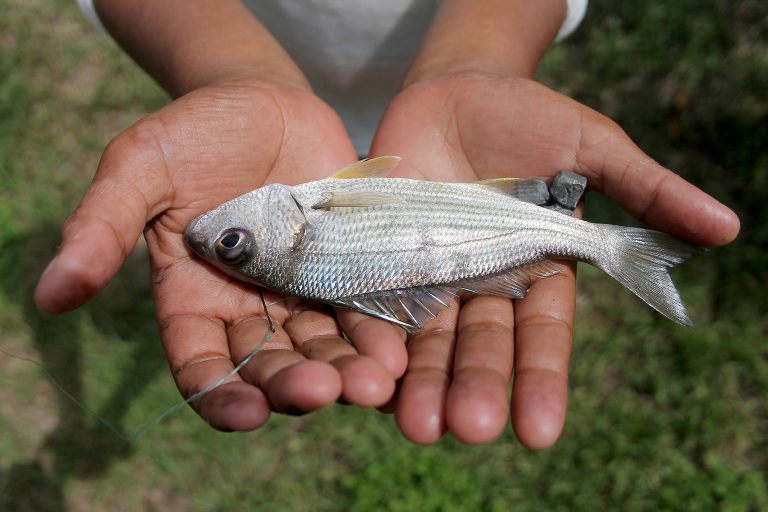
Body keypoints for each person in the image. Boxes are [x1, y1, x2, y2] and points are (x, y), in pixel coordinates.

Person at [37, 0, 739, 448]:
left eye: (231, 244)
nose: (214, 233)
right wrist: (232, 76)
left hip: (428, 108)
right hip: (329, 123)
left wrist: (478, 63)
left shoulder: (308, 212)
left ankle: (605, 247)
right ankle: (605, 247)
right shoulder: (308, 208)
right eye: (230, 242)